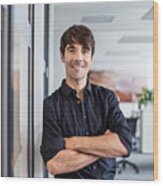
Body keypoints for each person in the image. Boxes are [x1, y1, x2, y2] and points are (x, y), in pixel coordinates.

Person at [40, 24, 132, 180]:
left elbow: (124, 144)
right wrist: (105, 145)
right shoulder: (51, 105)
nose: (78, 58)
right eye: (71, 50)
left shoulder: (107, 98)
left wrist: (70, 142)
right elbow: (55, 165)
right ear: (62, 55)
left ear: (91, 57)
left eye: (85, 51)